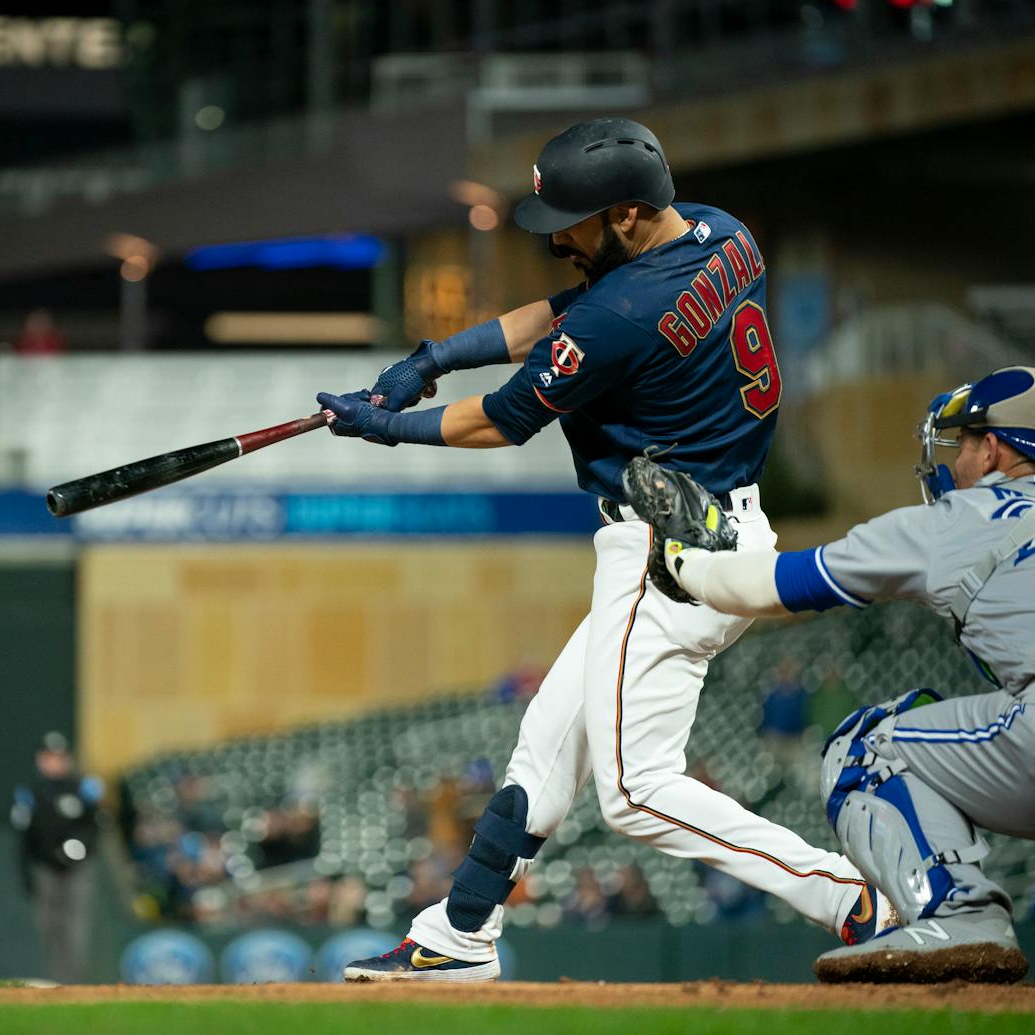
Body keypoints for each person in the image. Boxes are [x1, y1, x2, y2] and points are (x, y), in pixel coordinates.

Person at [326, 116, 881, 983]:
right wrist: (435, 354)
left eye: (572, 225)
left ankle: (852, 897)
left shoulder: (627, 310)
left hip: (667, 551)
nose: (559, 242)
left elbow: (503, 419)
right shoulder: (720, 231)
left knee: (634, 793)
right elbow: (565, 311)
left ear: (624, 215)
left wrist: (387, 425)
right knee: (546, 745)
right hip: (721, 523)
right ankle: (459, 932)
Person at [642, 366, 1035, 983]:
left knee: (868, 749)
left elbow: (781, 586)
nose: (956, 458)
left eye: (963, 442)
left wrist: (683, 560)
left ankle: (961, 915)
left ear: (995, 449)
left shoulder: (964, 520)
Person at [11, 731, 103, 983]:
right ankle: (58, 980)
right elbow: (24, 837)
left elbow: (94, 828)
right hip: (44, 867)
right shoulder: (30, 793)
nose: (54, 762)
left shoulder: (82, 788)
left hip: (78, 868)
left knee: (76, 927)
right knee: (51, 927)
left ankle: (74, 981)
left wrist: (72, 852)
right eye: (49, 757)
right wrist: (25, 872)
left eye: (59, 757)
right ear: (40, 760)